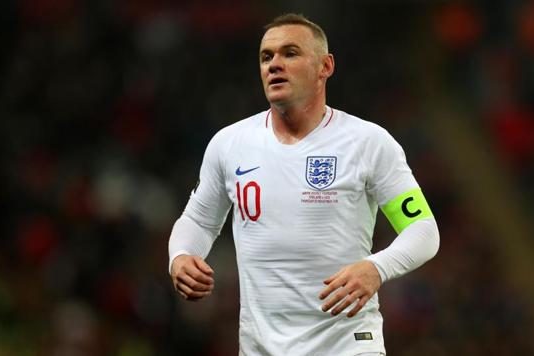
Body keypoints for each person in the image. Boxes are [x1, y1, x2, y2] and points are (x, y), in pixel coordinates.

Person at [168, 13, 439, 355]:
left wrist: (376, 268)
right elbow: (198, 221)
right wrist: (180, 256)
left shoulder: (368, 142)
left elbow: (424, 230)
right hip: (260, 348)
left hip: (346, 345)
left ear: (325, 66)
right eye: (267, 57)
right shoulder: (229, 144)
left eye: (290, 53)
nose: (274, 64)